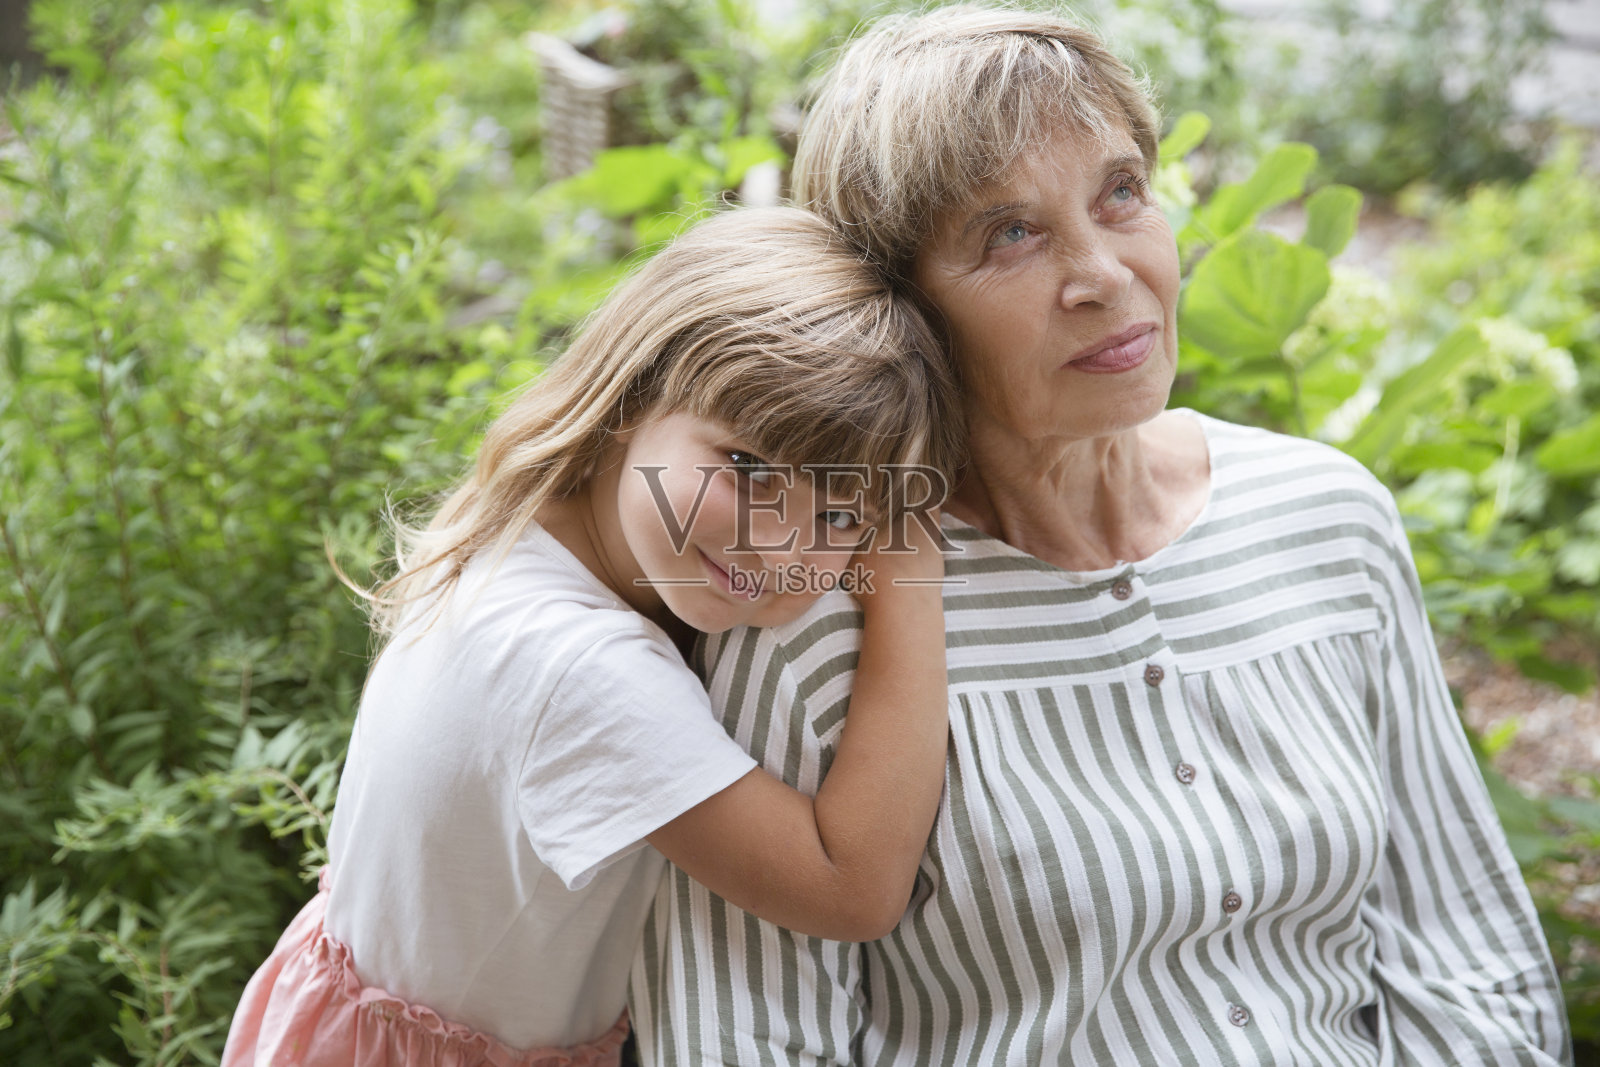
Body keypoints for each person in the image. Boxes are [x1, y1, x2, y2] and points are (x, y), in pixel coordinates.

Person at [630, 8, 1572, 1065]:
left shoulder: (1327, 518)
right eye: (1010, 235)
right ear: (900, 315)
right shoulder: (809, 611)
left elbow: (1463, 943)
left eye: (1120, 193)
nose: (1103, 274)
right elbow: (744, 1036)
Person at [220, 206, 964, 1067]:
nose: (780, 545)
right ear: (633, 395)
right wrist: (910, 576)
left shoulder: (517, 541)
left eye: (838, 514)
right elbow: (852, 885)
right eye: (749, 467)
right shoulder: (581, 668)